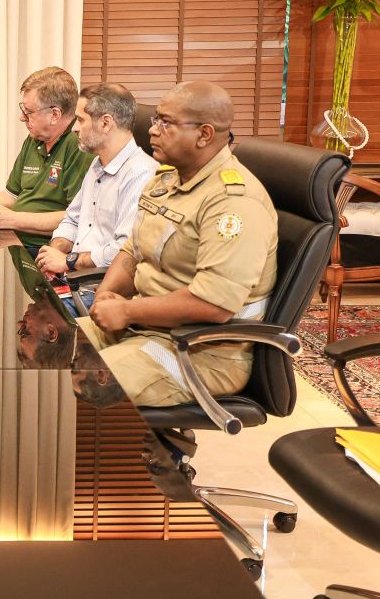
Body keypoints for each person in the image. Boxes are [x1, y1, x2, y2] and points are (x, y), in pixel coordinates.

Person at [82, 81, 278, 407]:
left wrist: (127, 311)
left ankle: (142, 442)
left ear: (204, 134)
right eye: (156, 120)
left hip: (198, 352)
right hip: (141, 326)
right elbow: (133, 249)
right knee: (45, 355)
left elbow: (214, 303)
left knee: (79, 387)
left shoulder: (233, 202)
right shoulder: (166, 180)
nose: (152, 130)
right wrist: (105, 295)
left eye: (166, 123)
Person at [34, 84, 158, 310]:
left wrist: (68, 262)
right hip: (74, 279)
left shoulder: (142, 174)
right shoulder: (97, 164)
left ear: (105, 123)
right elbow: (72, 220)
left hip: (102, 290)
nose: (74, 128)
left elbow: (124, 250)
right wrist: (56, 250)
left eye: (81, 120)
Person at [0, 67, 94, 248]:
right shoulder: (34, 139)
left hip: (50, 248)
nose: (22, 118)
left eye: (29, 112)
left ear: (55, 115)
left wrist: (12, 219)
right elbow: (10, 195)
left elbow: (77, 218)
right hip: (18, 242)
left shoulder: (80, 145)